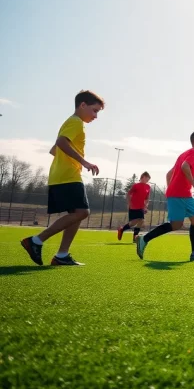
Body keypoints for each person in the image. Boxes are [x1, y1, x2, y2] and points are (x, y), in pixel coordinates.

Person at [21, 90, 104, 266]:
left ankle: (62, 255)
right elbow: (60, 143)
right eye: (94, 110)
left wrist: (65, 160)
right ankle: (36, 241)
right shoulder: (76, 122)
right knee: (83, 212)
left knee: (77, 214)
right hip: (68, 176)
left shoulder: (71, 123)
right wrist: (84, 161)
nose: (96, 116)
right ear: (82, 105)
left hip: (64, 174)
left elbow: (54, 149)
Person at [136, 131, 194, 261]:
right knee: (177, 224)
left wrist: (171, 189)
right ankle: (144, 239)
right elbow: (185, 166)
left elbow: (169, 174)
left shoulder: (183, 154)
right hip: (180, 193)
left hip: (183, 193)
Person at [118, 172, 152, 243]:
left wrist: (145, 206)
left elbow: (147, 198)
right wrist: (129, 203)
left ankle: (134, 236)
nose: (147, 180)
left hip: (141, 207)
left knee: (141, 220)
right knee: (133, 223)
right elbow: (128, 194)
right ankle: (122, 229)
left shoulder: (148, 187)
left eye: (148, 179)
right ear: (143, 177)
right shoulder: (136, 186)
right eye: (146, 178)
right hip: (133, 207)